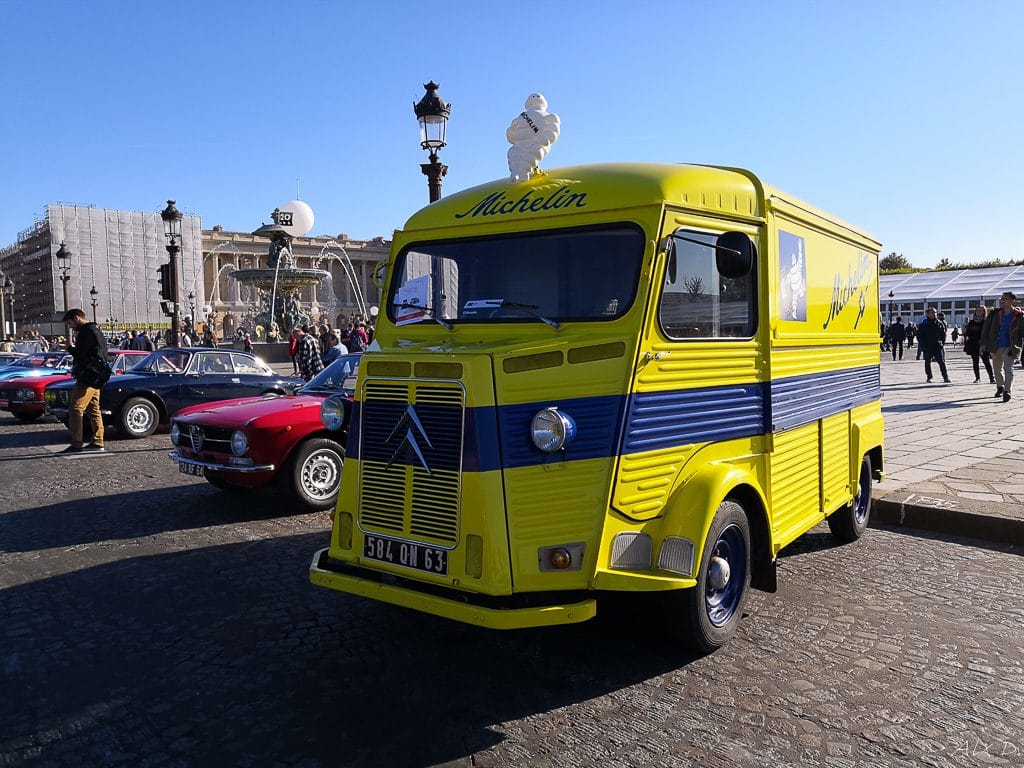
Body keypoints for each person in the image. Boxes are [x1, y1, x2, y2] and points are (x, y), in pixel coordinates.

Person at [60, 308, 108, 453]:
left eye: (70, 323)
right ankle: (98, 440)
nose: (70, 327)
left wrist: (69, 348)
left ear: (76, 318)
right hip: (96, 377)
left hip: (87, 377)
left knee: (75, 409)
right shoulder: (96, 331)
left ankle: (76, 443)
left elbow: (81, 354)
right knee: (93, 409)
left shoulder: (86, 332)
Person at [981, 291, 1023, 402]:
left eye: (1005, 299)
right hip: (995, 345)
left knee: (1008, 369)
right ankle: (1000, 386)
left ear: (1012, 301)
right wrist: (983, 344)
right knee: (997, 369)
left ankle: (1007, 391)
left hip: (1010, 346)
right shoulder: (995, 313)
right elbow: (986, 329)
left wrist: (1018, 348)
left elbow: (1022, 333)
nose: (1002, 301)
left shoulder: (1019, 315)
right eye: (1002, 299)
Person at [917, 307, 950, 384]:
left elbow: (943, 334)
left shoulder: (939, 323)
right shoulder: (923, 324)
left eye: (935, 312)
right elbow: (919, 336)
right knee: (927, 362)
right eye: (932, 312)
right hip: (927, 346)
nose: (934, 314)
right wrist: (923, 345)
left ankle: (945, 377)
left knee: (941, 362)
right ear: (927, 314)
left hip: (937, 345)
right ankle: (929, 377)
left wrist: (942, 343)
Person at [963, 306, 995, 384]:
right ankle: (977, 378)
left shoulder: (986, 322)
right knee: (975, 362)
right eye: (977, 311)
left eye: (980, 311)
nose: (978, 312)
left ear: (984, 312)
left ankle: (991, 378)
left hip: (983, 344)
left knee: (986, 361)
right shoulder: (972, 322)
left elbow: (988, 333)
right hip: (973, 344)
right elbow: (968, 333)